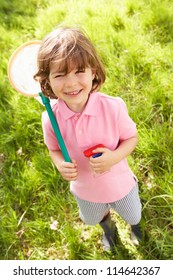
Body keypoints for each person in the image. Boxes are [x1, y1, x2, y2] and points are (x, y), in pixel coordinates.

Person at [34, 26, 142, 251]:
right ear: (47, 81)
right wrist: (59, 164)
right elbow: (53, 148)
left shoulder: (113, 107)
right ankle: (108, 228)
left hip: (120, 183)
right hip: (85, 189)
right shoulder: (50, 118)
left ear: (93, 71)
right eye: (60, 75)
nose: (71, 83)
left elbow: (131, 137)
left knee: (133, 213)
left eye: (79, 71)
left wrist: (114, 157)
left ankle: (136, 228)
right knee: (93, 218)